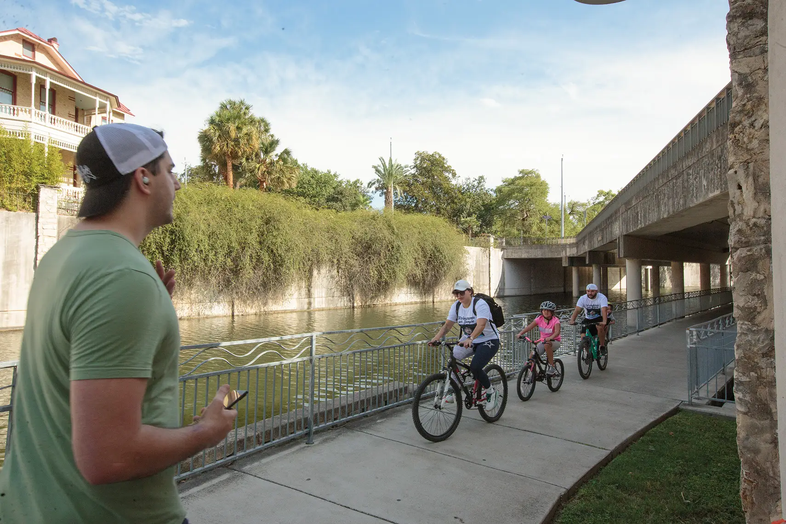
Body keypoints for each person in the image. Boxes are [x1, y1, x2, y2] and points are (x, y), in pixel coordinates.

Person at [0, 124, 237, 524]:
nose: (178, 184)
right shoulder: (122, 278)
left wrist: (149, 308)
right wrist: (206, 433)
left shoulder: (63, 256)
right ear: (143, 178)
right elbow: (107, 458)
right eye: (171, 170)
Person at [428, 279, 500, 409]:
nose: (459, 296)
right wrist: (436, 338)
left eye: (462, 293)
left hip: (488, 340)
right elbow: (447, 326)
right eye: (456, 293)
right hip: (469, 340)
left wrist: (471, 338)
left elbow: (481, 324)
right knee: (454, 358)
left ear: (470, 292)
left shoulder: (480, 304)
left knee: (476, 367)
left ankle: (490, 392)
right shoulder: (456, 306)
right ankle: (455, 390)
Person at [517, 301, 561, 376]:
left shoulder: (555, 320)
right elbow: (529, 327)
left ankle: (552, 367)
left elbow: (557, 332)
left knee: (547, 345)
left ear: (552, 312)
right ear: (541, 311)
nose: (546, 312)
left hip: (554, 341)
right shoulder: (539, 319)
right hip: (543, 341)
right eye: (544, 310)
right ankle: (534, 373)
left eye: (548, 310)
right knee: (532, 356)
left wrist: (550, 338)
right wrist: (521, 333)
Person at [569, 283, 610, 355]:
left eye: (592, 291)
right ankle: (589, 353)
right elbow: (577, 310)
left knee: (600, 327)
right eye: (588, 291)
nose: (590, 293)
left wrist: (604, 321)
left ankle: (602, 346)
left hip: (599, 317)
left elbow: (604, 309)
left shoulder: (602, 297)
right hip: (588, 318)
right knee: (583, 336)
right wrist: (572, 320)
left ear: (596, 291)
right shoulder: (583, 298)